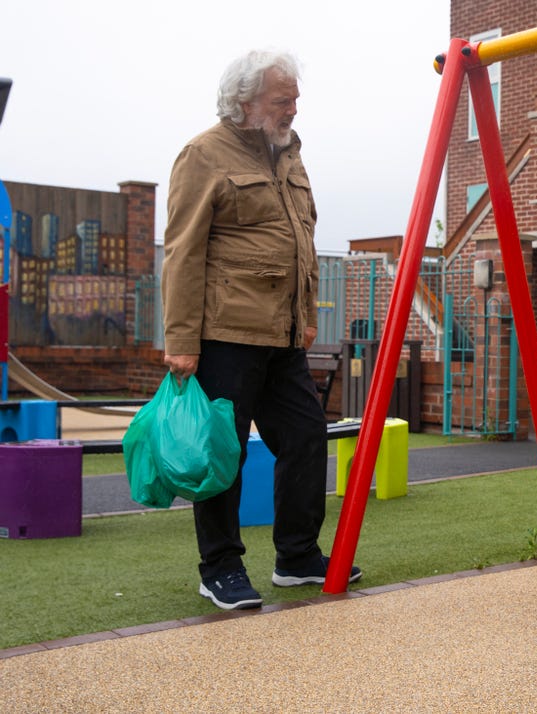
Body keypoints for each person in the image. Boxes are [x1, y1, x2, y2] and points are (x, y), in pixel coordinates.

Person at [162, 50, 361, 610]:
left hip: (282, 335)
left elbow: (301, 241)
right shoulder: (203, 154)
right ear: (245, 101)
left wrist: (305, 317)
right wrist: (180, 340)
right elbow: (182, 251)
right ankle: (219, 567)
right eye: (283, 99)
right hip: (225, 333)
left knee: (304, 436)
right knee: (225, 453)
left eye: (295, 98)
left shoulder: (290, 157)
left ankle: (296, 557)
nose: (294, 109)